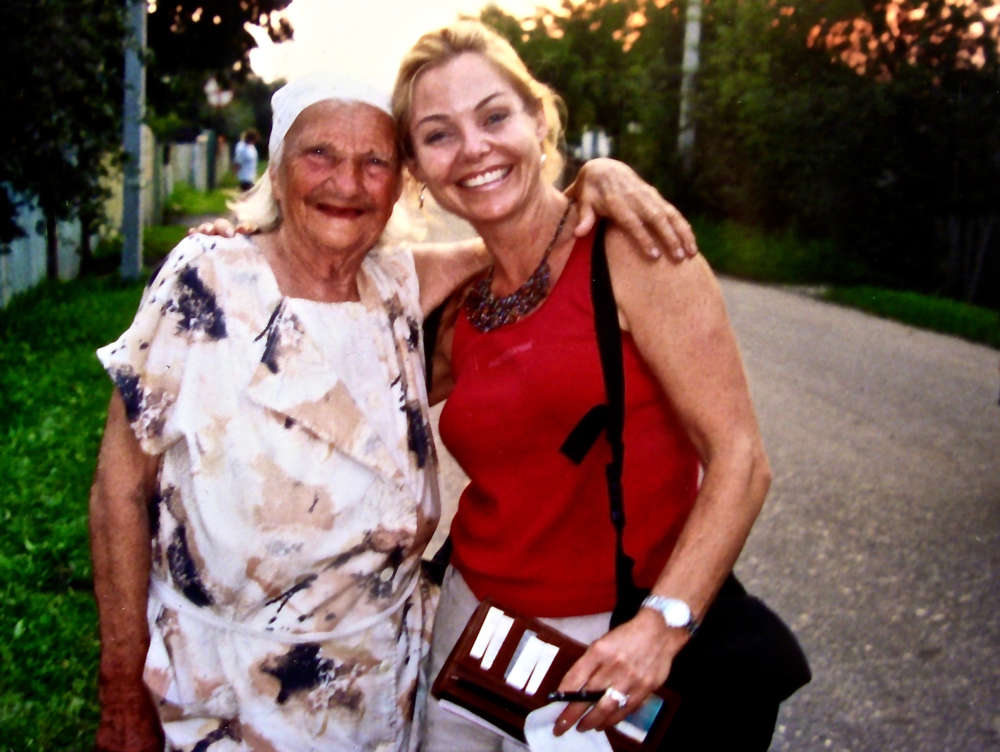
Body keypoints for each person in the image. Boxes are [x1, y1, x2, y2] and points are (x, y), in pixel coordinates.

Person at [89, 71, 697, 752]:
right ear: (278, 170)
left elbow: (530, 235)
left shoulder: (399, 285)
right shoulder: (205, 280)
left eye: (374, 162)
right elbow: (119, 490)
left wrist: (597, 179)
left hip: (384, 691)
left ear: (402, 183)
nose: (346, 183)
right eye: (319, 153)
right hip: (224, 693)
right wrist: (121, 686)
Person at [390, 20, 785, 750]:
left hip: (601, 642)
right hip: (472, 629)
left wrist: (663, 627)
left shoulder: (632, 252)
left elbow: (741, 460)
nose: (473, 148)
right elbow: (317, 295)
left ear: (539, 120)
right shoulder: (462, 305)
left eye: (495, 117)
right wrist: (237, 251)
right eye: (439, 134)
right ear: (416, 166)